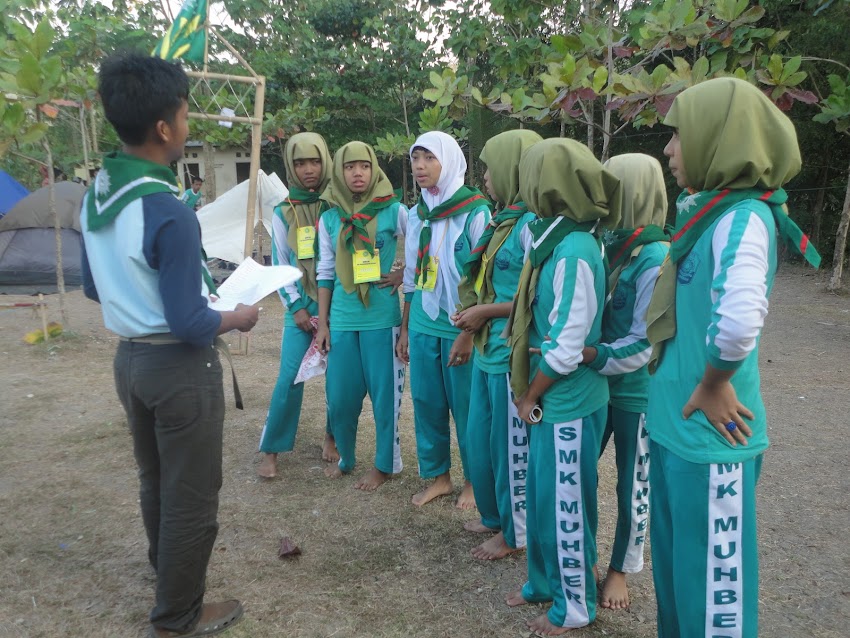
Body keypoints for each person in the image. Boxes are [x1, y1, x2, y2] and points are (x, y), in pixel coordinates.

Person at [79, 53, 257, 638]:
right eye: (183, 115)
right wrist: (238, 316)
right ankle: (178, 613)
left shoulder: (98, 195)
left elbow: (91, 287)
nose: (186, 125)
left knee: (155, 478)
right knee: (191, 494)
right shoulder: (168, 211)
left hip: (130, 360)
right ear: (163, 127)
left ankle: (168, 573)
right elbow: (189, 322)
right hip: (179, 368)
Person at [645, 77, 820, 638]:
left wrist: (715, 381)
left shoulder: (742, 218)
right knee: (679, 578)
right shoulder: (706, 214)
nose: (669, 149)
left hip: (711, 439)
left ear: (716, 139)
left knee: (712, 596)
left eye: (679, 135)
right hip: (676, 429)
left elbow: (740, 320)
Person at [506, 138, 621, 635]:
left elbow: (568, 342)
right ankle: (543, 583)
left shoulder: (573, 250)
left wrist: (531, 394)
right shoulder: (550, 237)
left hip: (567, 400)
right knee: (542, 500)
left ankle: (574, 605)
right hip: (551, 399)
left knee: (567, 508)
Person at [580, 153, 670, 609]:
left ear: (633, 192)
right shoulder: (604, 242)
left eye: (610, 185)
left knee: (632, 485)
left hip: (635, 392)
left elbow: (644, 342)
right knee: (579, 469)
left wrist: (591, 355)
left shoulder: (655, 257)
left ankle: (620, 567)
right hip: (593, 385)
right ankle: (583, 554)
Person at [452, 130, 542, 559]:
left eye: (491, 168)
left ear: (515, 170)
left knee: (511, 451)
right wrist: (472, 323)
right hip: (488, 351)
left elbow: (536, 299)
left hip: (511, 355)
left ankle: (515, 533)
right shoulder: (500, 221)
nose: (485, 176)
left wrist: (484, 313)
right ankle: (493, 515)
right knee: (482, 441)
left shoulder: (531, 226)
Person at [396, 131, 492, 508]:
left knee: (467, 407)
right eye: (415, 158)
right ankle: (439, 477)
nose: (420, 166)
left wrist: (468, 332)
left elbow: (483, 281)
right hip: (423, 321)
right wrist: (405, 328)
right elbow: (411, 276)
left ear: (448, 161)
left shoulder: (475, 212)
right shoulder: (417, 213)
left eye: (429, 158)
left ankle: (473, 479)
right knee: (426, 402)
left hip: (460, 324)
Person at [315, 141, 407, 491]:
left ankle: (384, 465)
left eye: (365, 166)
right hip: (342, 319)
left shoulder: (394, 210)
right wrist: (323, 324)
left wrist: (402, 274)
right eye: (350, 167)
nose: (358, 173)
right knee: (340, 399)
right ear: (339, 172)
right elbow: (325, 272)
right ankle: (346, 458)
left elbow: (423, 245)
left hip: (381, 319)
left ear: (374, 170)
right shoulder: (329, 218)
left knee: (385, 400)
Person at [258, 132, 337, 479]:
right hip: (300, 310)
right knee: (289, 378)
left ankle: (332, 437)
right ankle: (272, 449)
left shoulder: (336, 206)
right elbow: (280, 262)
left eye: (315, 161)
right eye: (300, 163)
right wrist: (296, 308)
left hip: (337, 308)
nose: (309, 169)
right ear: (290, 167)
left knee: (339, 379)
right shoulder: (282, 211)